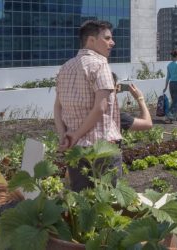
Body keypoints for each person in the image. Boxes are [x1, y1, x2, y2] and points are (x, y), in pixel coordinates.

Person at [54, 20, 122, 192]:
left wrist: (65, 137)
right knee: (109, 201)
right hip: (102, 147)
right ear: (91, 40)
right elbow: (101, 107)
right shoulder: (100, 64)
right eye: (107, 38)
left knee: (82, 202)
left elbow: (57, 107)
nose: (112, 43)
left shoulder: (65, 67)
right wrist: (76, 135)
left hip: (74, 148)